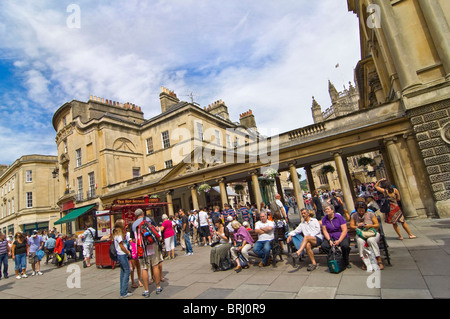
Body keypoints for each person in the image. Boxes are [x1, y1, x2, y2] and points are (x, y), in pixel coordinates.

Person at [131, 208, 164, 297]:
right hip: (152, 245)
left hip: (142, 247)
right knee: (155, 266)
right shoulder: (149, 219)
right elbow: (157, 230)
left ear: (136, 216)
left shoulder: (133, 225)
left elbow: (133, 240)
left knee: (144, 268)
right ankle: (157, 287)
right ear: (142, 213)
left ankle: (146, 290)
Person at [350, 201, 384, 270]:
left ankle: (378, 259)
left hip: (371, 233)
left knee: (370, 240)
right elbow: (351, 226)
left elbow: (377, 225)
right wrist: (357, 226)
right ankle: (365, 261)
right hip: (361, 234)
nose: (361, 212)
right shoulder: (354, 215)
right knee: (360, 241)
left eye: (362, 210)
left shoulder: (370, 214)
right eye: (359, 210)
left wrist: (369, 226)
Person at [321, 203, 351, 270]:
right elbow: (325, 231)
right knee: (324, 246)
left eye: (328, 209)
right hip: (331, 235)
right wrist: (329, 240)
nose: (326, 211)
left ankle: (346, 261)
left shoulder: (339, 217)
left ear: (332, 210)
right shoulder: (324, 219)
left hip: (341, 235)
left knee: (345, 246)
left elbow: (344, 229)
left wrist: (339, 240)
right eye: (325, 209)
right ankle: (334, 258)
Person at [112, 219, 132, 298]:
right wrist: (128, 252)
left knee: (123, 272)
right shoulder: (119, 234)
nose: (124, 225)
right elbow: (121, 246)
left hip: (120, 255)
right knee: (127, 271)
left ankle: (123, 290)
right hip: (122, 254)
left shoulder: (116, 233)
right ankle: (124, 292)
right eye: (123, 223)